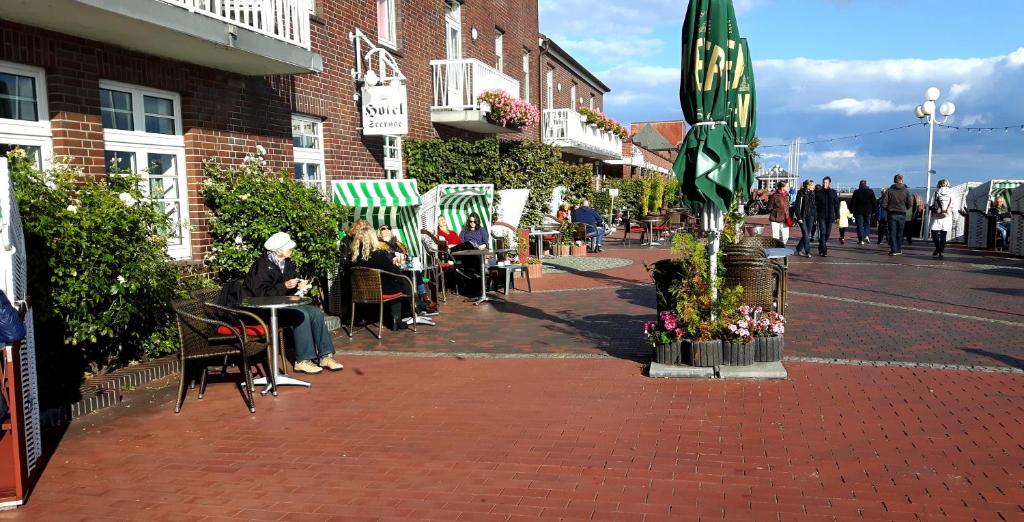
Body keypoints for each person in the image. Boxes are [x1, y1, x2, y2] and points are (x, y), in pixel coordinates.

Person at [241, 232, 342, 375]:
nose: (292, 250)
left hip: (285, 303)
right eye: (288, 247)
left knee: (315, 311)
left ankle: (325, 355)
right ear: (278, 250)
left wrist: (300, 285)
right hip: (267, 309)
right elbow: (259, 294)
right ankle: (302, 360)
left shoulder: (287, 263)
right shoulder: (261, 266)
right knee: (301, 314)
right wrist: (285, 286)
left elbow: (292, 280)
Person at [881, 174, 913, 256]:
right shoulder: (906, 190)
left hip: (892, 214)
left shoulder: (889, 191)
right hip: (902, 213)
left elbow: (884, 204)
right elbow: (910, 203)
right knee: (900, 232)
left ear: (894, 180)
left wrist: (888, 209)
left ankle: (894, 249)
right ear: (902, 180)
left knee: (892, 232)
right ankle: (899, 249)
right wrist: (905, 208)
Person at [814, 176, 839, 256]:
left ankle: (821, 246)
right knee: (823, 232)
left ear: (829, 183)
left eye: (826, 183)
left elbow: (836, 205)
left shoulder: (833, 192)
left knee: (827, 233)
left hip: (830, 216)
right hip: (821, 216)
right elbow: (815, 206)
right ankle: (824, 250)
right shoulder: (818, 193)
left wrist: (837, 216)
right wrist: (816, 216)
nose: (824, 184)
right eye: (824, 182)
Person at [930, 179, 953, 259]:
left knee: (934, 233)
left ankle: (937, 249)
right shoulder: (951, 193)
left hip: (937, 216)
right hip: (947, 216)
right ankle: (941, 251)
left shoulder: (936, 193)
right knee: (944, 235)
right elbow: (953, 206)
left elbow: (930, 204)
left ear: (939, 184)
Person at [793, 179, 817, 258]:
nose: (814, 187)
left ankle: (799, 248)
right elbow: (797, 206)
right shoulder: (801, 193)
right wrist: (799, 217)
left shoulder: (813, 193)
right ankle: (808, 251)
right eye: (812, 185)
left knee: (806, 234)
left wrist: (815, 218)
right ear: (808, 185)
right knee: (806, 234)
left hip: (811, 217)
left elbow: (814, 207)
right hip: (802, 217)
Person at [851, 180, 876, 245]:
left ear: (859, 184)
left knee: (859, 225)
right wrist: (874, 210)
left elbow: (853, 203)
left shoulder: (856, 192)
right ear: (866, 184)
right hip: (868, 211)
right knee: (867, 224)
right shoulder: (870, 191)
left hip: (859, 211)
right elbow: (874, 202)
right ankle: (866, 236)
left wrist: (852, 211)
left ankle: (861, 240)